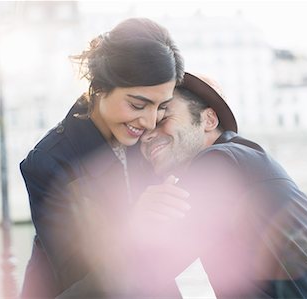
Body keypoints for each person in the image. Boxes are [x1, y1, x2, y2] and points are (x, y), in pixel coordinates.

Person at [135, 72, 307, 298]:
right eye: (141, 130)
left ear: (208, 120)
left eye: (162, 119)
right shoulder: (246, 158)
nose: (146, 137)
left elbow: (149, 270)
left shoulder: (218, 162)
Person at [19, 17, 184, 298]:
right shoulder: (48, 162)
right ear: (100, 86)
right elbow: (79, 279)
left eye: (161, 107)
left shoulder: (147, 139)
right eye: (137, 104)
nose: (149, 121)